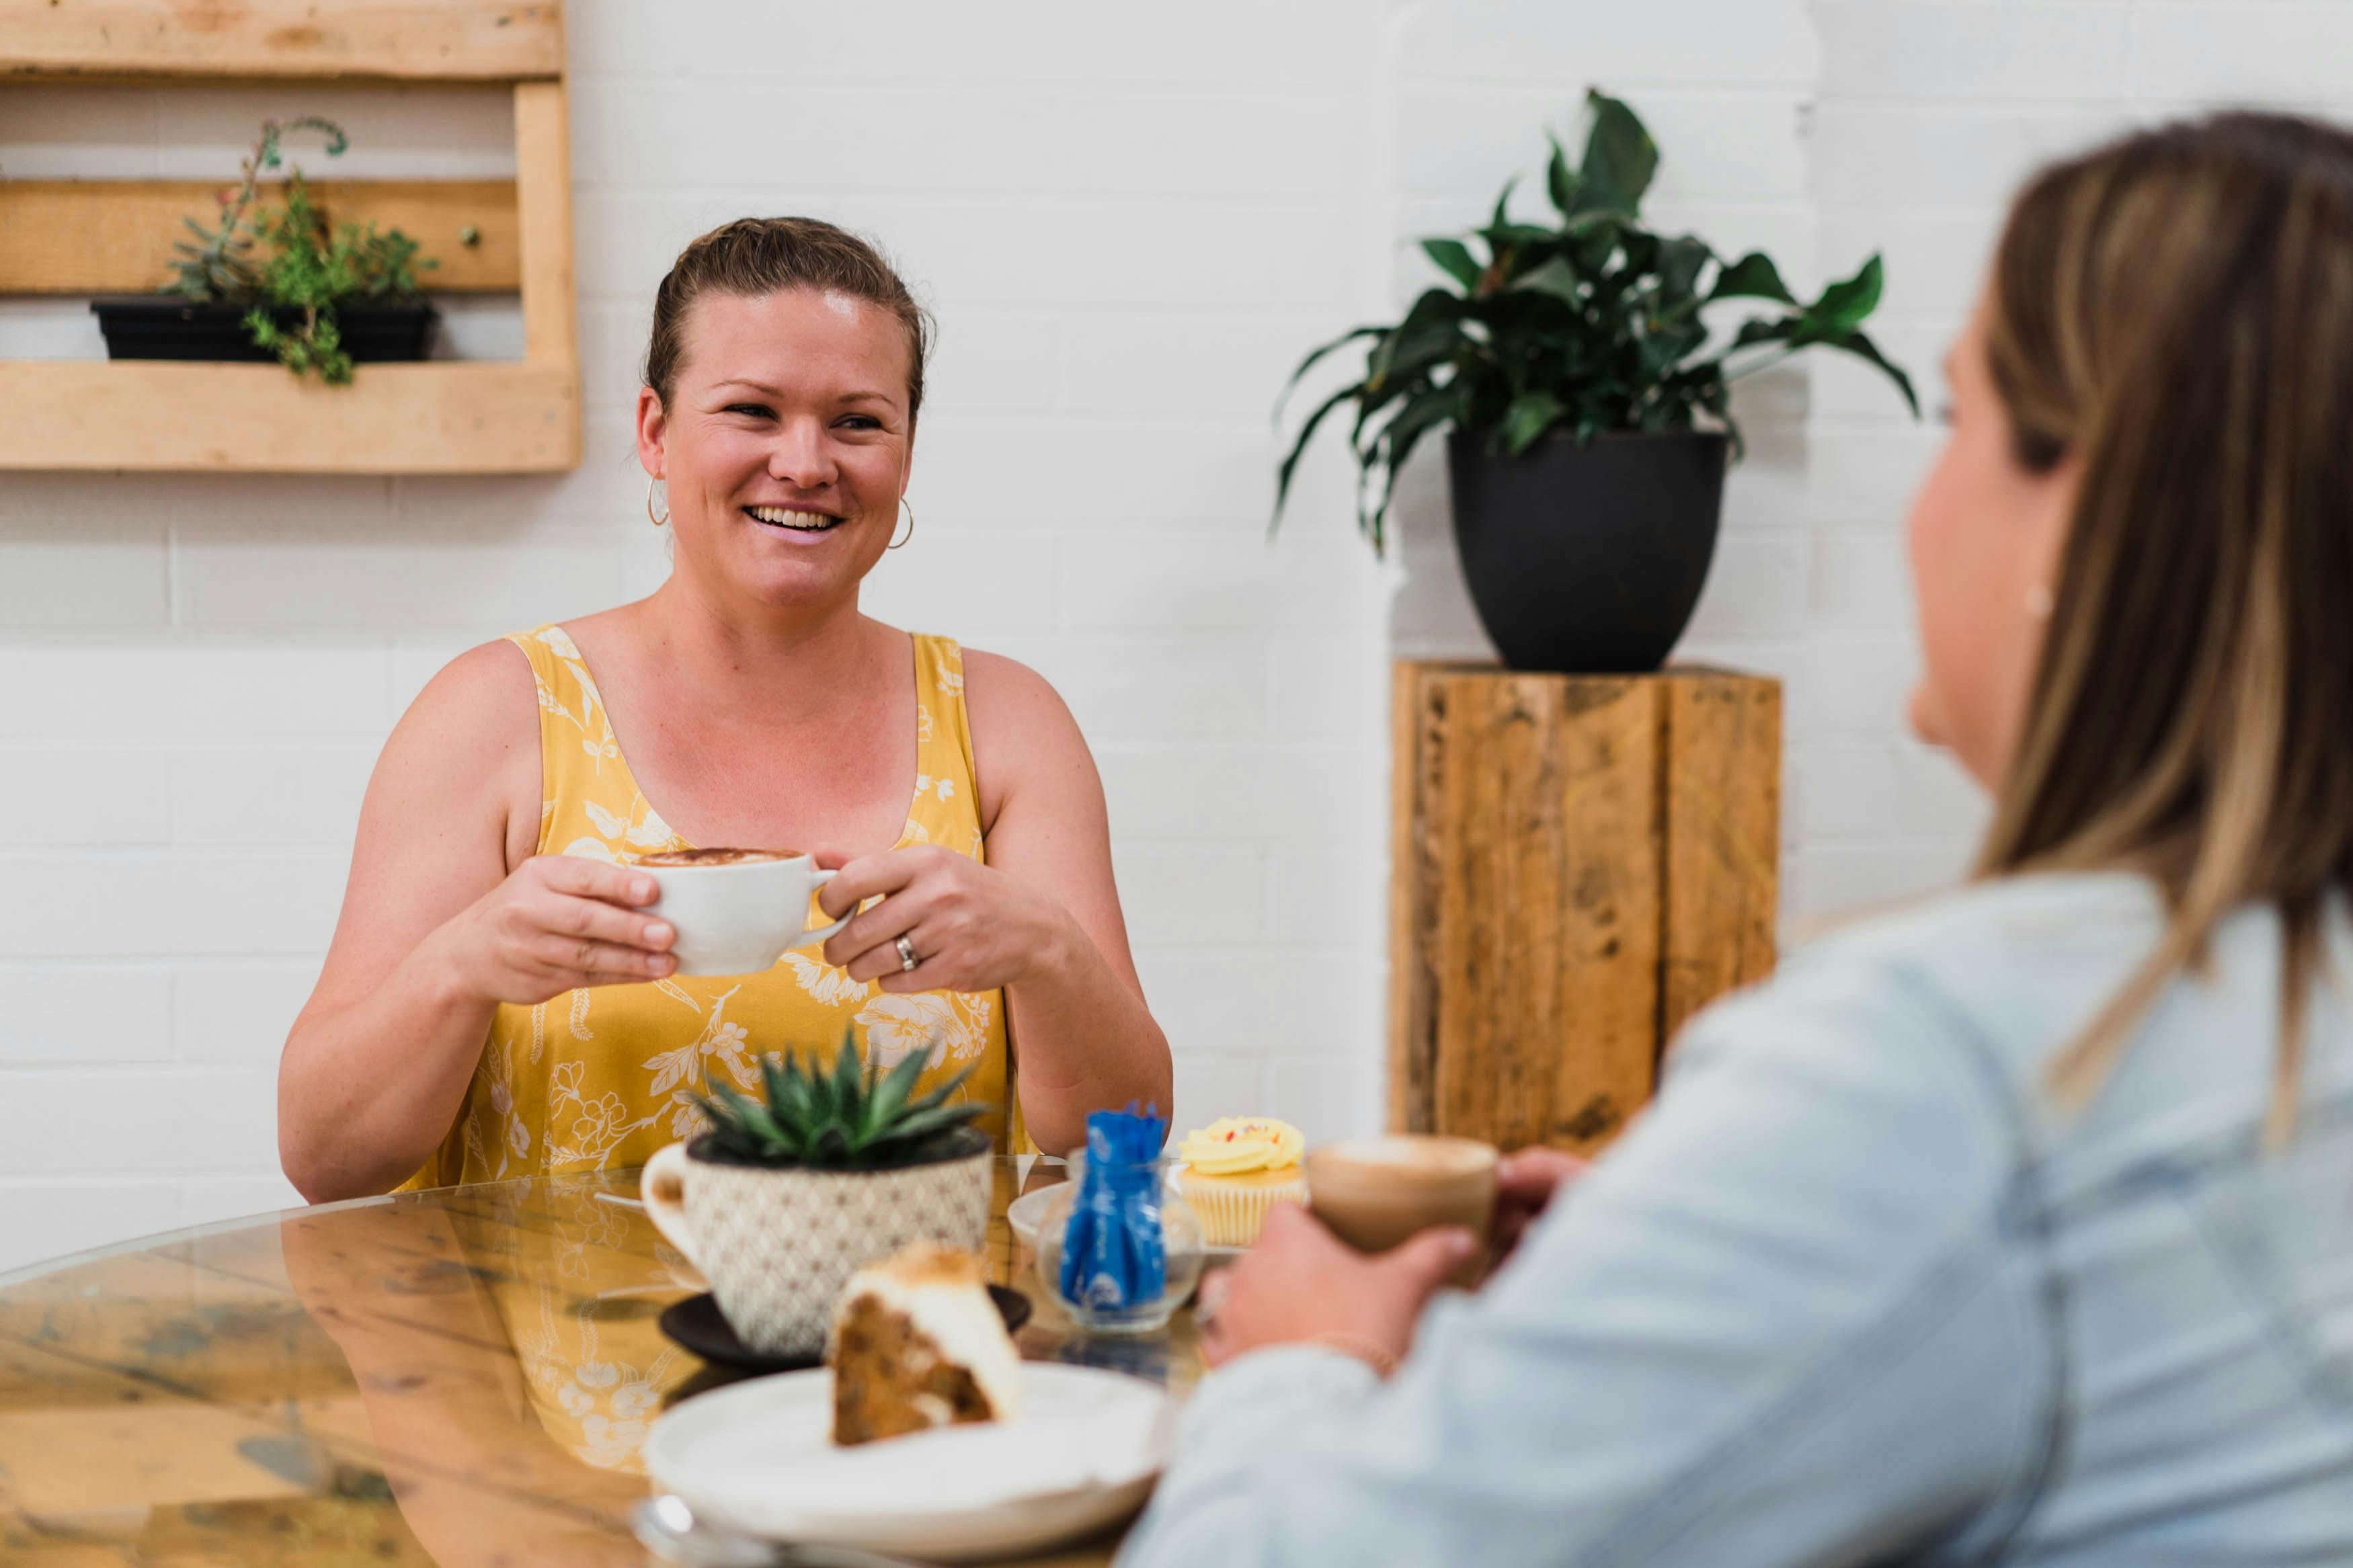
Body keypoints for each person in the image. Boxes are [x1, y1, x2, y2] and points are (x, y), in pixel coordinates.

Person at [1121, 112, 2353, 1566]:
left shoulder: (1942, 1058)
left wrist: (1295, 1364)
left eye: (1957, 418)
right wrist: (1699, 1253)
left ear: (2085, 510)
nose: (1919, 503)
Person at [279, 218, 1170, 1201]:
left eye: (858, 422)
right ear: (656, 432)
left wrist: (1047, 953)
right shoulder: (495, 713)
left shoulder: (1007, 724)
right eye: (752, 410)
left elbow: (1120, 1137)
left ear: (907, 455)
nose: (805, 462)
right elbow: (326, 1157)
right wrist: (462, 965)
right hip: (538, 1353)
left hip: (904, 1347)